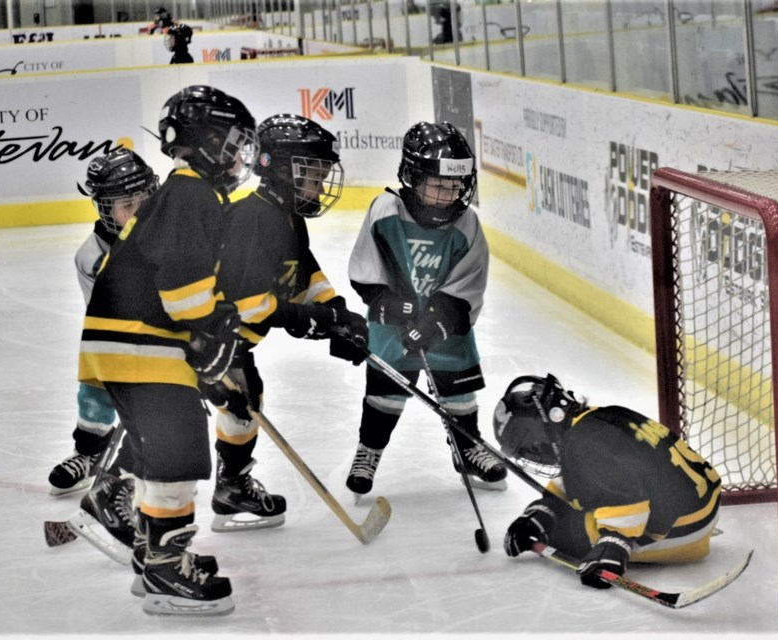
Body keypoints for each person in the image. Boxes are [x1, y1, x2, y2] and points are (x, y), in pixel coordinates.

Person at [79, 85, 258, 616]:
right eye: (231, 143)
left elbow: (178, 285)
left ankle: (153, 559)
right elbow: (183, 290)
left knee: (168, 454)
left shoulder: (185, 192)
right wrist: (213, 328)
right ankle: (163, 568)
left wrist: (208, 339)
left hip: (136, 347)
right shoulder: (189, 193)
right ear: (204, 143)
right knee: (176, 457)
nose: (238, 155)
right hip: (139, 347)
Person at [205, 113, 369, 530]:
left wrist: (339, 313)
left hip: (229, 340)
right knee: (216, 409)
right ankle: (135, 498)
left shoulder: (284, 215)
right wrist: (318, 320)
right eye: (312, 173)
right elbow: (254, 305)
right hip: (205, 339)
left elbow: (301, 272)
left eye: (321, 173)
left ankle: (231, 488)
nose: (320, 183)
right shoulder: (253, 220)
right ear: (278, 168)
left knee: (246, 401)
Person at [345, 121, 505, 499]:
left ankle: (467, 448)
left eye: (456, 185)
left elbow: (467, 285)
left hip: (444, 329)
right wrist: (388, 306)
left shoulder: (466, 224)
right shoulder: (386, 211)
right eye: (438, 185)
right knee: (385, 394)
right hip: (392, 329)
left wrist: (434, 323)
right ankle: (369, 450)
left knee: (460, 394)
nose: (449, 194)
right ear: (413, 177)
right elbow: (366, 267)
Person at [493, 374, 722, 589]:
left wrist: (614, 545)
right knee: (569, 517)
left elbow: (622, 490)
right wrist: (542, 511)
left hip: (686, 527)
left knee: (568, 531)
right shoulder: (598, 419)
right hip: (703, 503)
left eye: (530, 448)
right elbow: (588, 476)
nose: (534, 454)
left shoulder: (584, 444)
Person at [48, 149, 159, 498]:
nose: (138, 212)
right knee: (97, 375)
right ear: (105, 209)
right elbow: (109, 324)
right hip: (122, 338)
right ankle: (89, 449)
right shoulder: (92, 256)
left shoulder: (175, 237)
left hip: (178, 338)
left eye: (145, 200)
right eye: (127, 205)